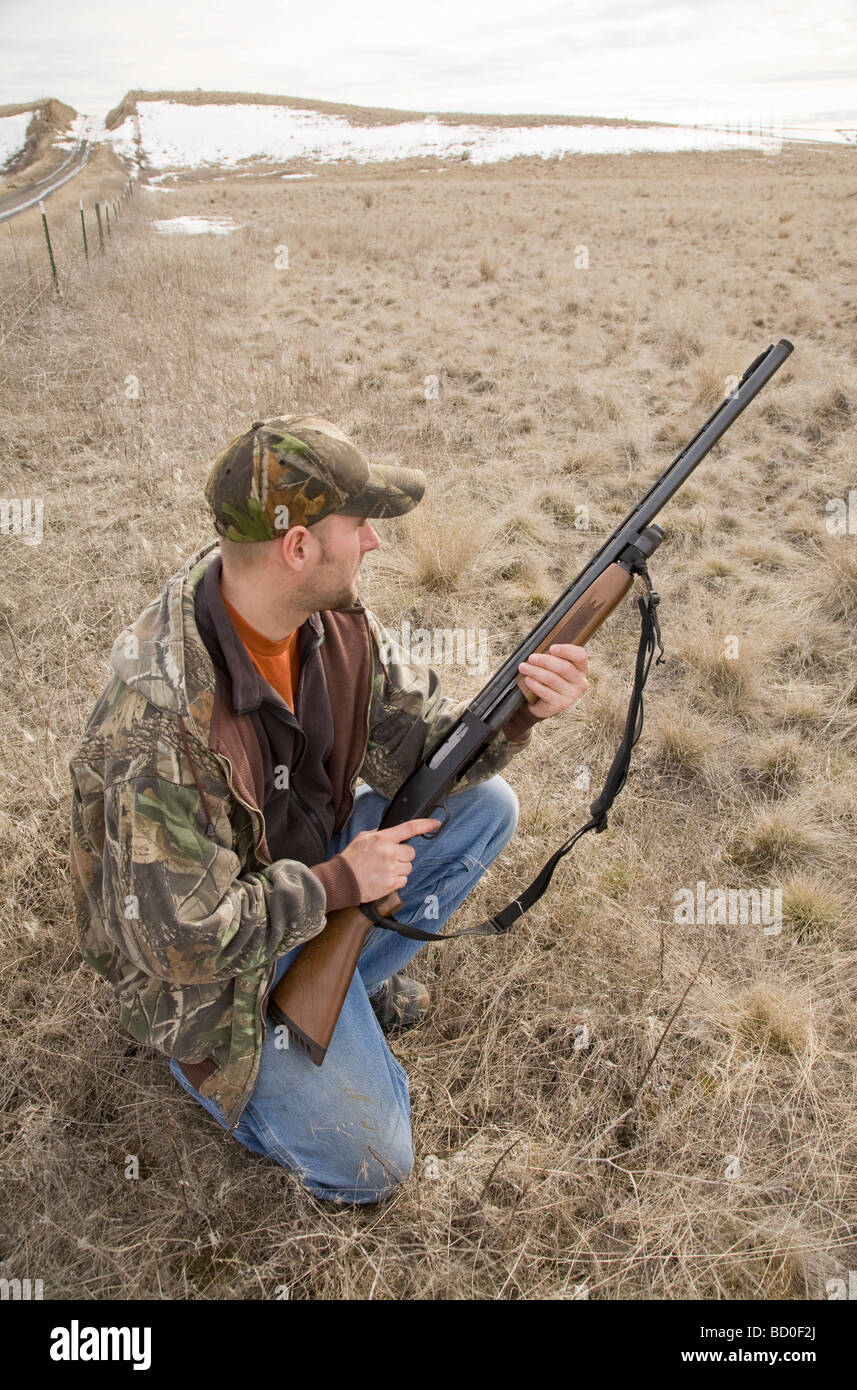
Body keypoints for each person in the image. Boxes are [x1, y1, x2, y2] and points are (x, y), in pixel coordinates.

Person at [69, 415, 590, 1204]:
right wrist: (337, 886)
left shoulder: (332, 620)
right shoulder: (162, 719)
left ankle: (336, 983)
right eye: (359, 525)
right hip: (205, 974)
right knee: (373, 1165)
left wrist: (522, 711)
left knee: (484, 806)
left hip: (300, 875)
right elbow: (177, 939)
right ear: (299, 547)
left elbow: (423, 744)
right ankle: (211, 1069)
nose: (375, 543)